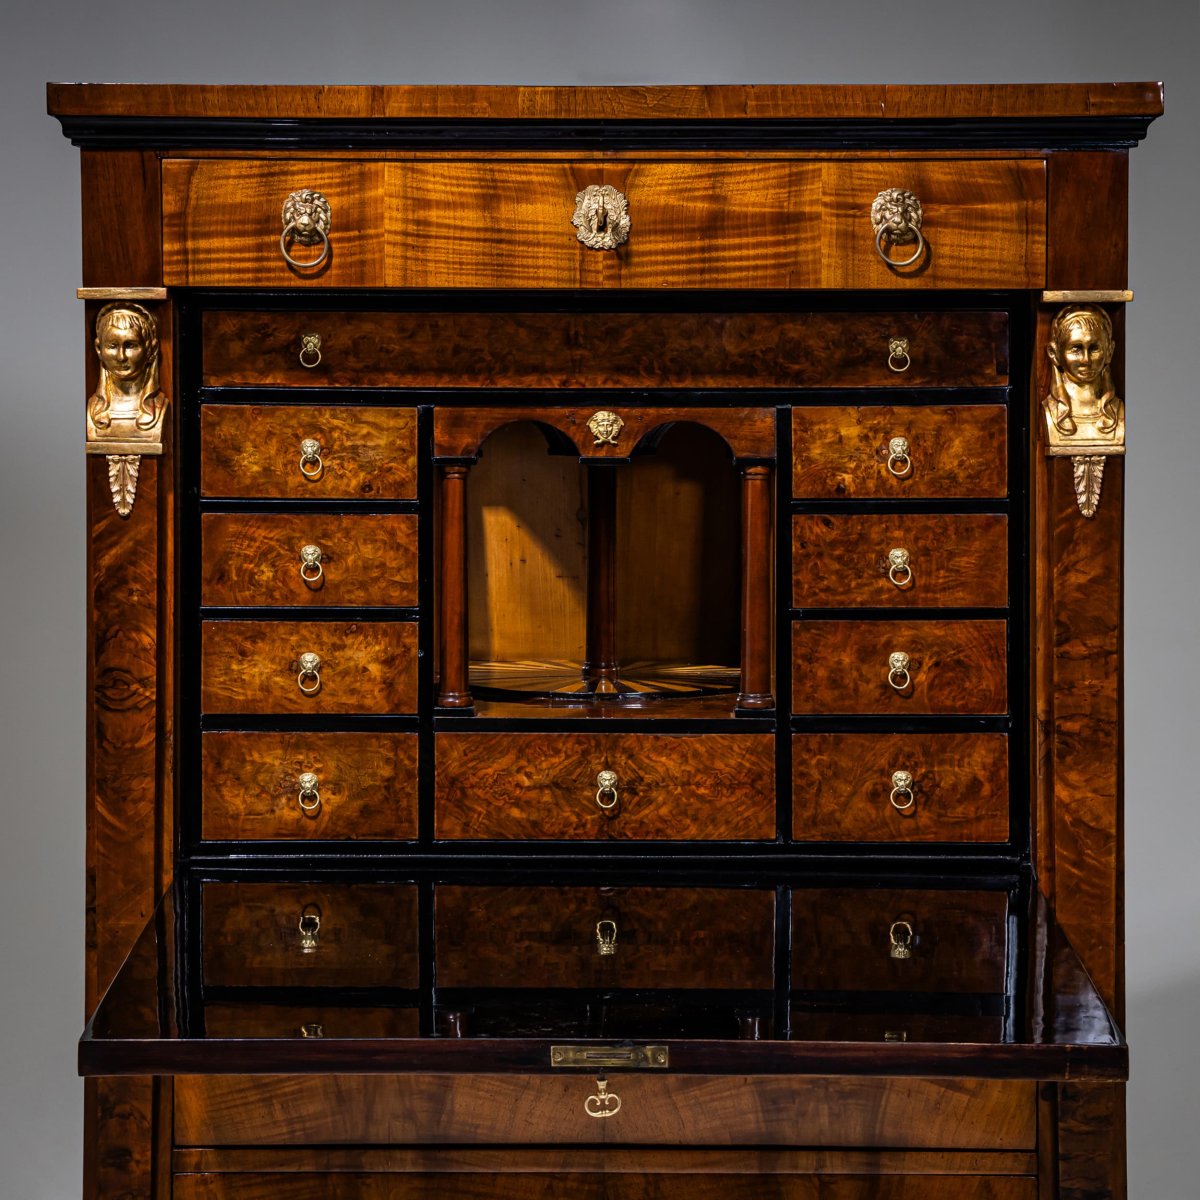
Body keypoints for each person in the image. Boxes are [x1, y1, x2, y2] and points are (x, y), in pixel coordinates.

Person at [1043, 305, 1124, 450]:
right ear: (1054, 354)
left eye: (1094, 348)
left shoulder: (1119, 412)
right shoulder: (1049, 411)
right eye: (1076, 349)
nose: (1086, 360)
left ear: (1109, 352)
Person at [86, 302, 165, 444]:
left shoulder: (160, 407)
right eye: (112, 346)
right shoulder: (94, 410)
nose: (121, 357)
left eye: (130, 345)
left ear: (151, 350)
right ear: (98, 349)